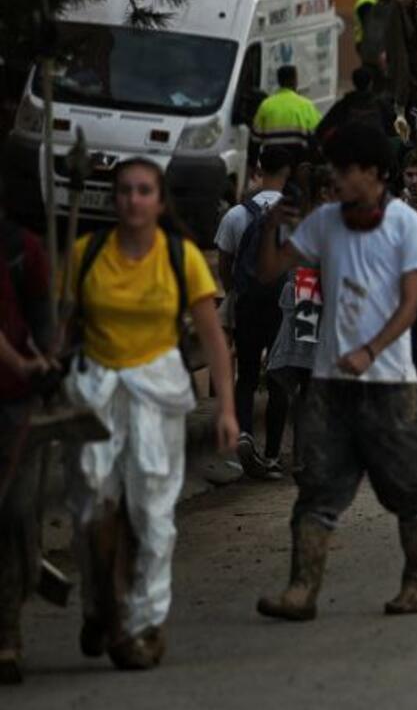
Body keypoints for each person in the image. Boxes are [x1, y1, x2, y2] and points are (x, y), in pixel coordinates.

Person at [254, 124, 417, 622]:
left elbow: (410, 304)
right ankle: (301, 589)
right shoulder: (324, 223)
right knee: (317, 485)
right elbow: (270, 270)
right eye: (333, 168)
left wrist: (371, 350)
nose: (336, 177)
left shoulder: (407, 226)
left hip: (389, 385)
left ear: (376, 174)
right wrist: (274, 222)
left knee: (407, 488)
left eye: (347, 169)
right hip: (330, 385)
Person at [66, 158, 238, 668]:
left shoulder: (181, 257)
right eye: (124, 191)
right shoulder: (85, 253)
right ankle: (100, 606)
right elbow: (61, 327)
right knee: (90, 510)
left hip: (155, 392)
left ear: (159, 201)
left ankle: (144, 622)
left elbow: (214, 339)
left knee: (152, 513)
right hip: (95, 390)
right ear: (113, 199)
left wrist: (227, 407)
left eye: (144, 191)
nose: (133, 200)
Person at [216, 146, 296, 480]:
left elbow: (224, 263)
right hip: (283, 306)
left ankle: (245, 439)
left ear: (259, 169)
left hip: (248, 304)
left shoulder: (236, 215)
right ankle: (274, 454)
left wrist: (238, 289)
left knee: (246, 376)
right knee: (279, 380)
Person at [0, 180, 52, 684]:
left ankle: (7, 634)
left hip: (13, 404)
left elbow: (42, 321)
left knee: (13, 512)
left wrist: (46, 359)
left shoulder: (22, 250)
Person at [251, 65, 323, 153]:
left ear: (279, 81)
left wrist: (252, 164)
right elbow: (317, 135)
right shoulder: (306, 105)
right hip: (298, 160)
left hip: (273, 162)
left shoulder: (265, 105)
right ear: (295, 81)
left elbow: (255, 140)